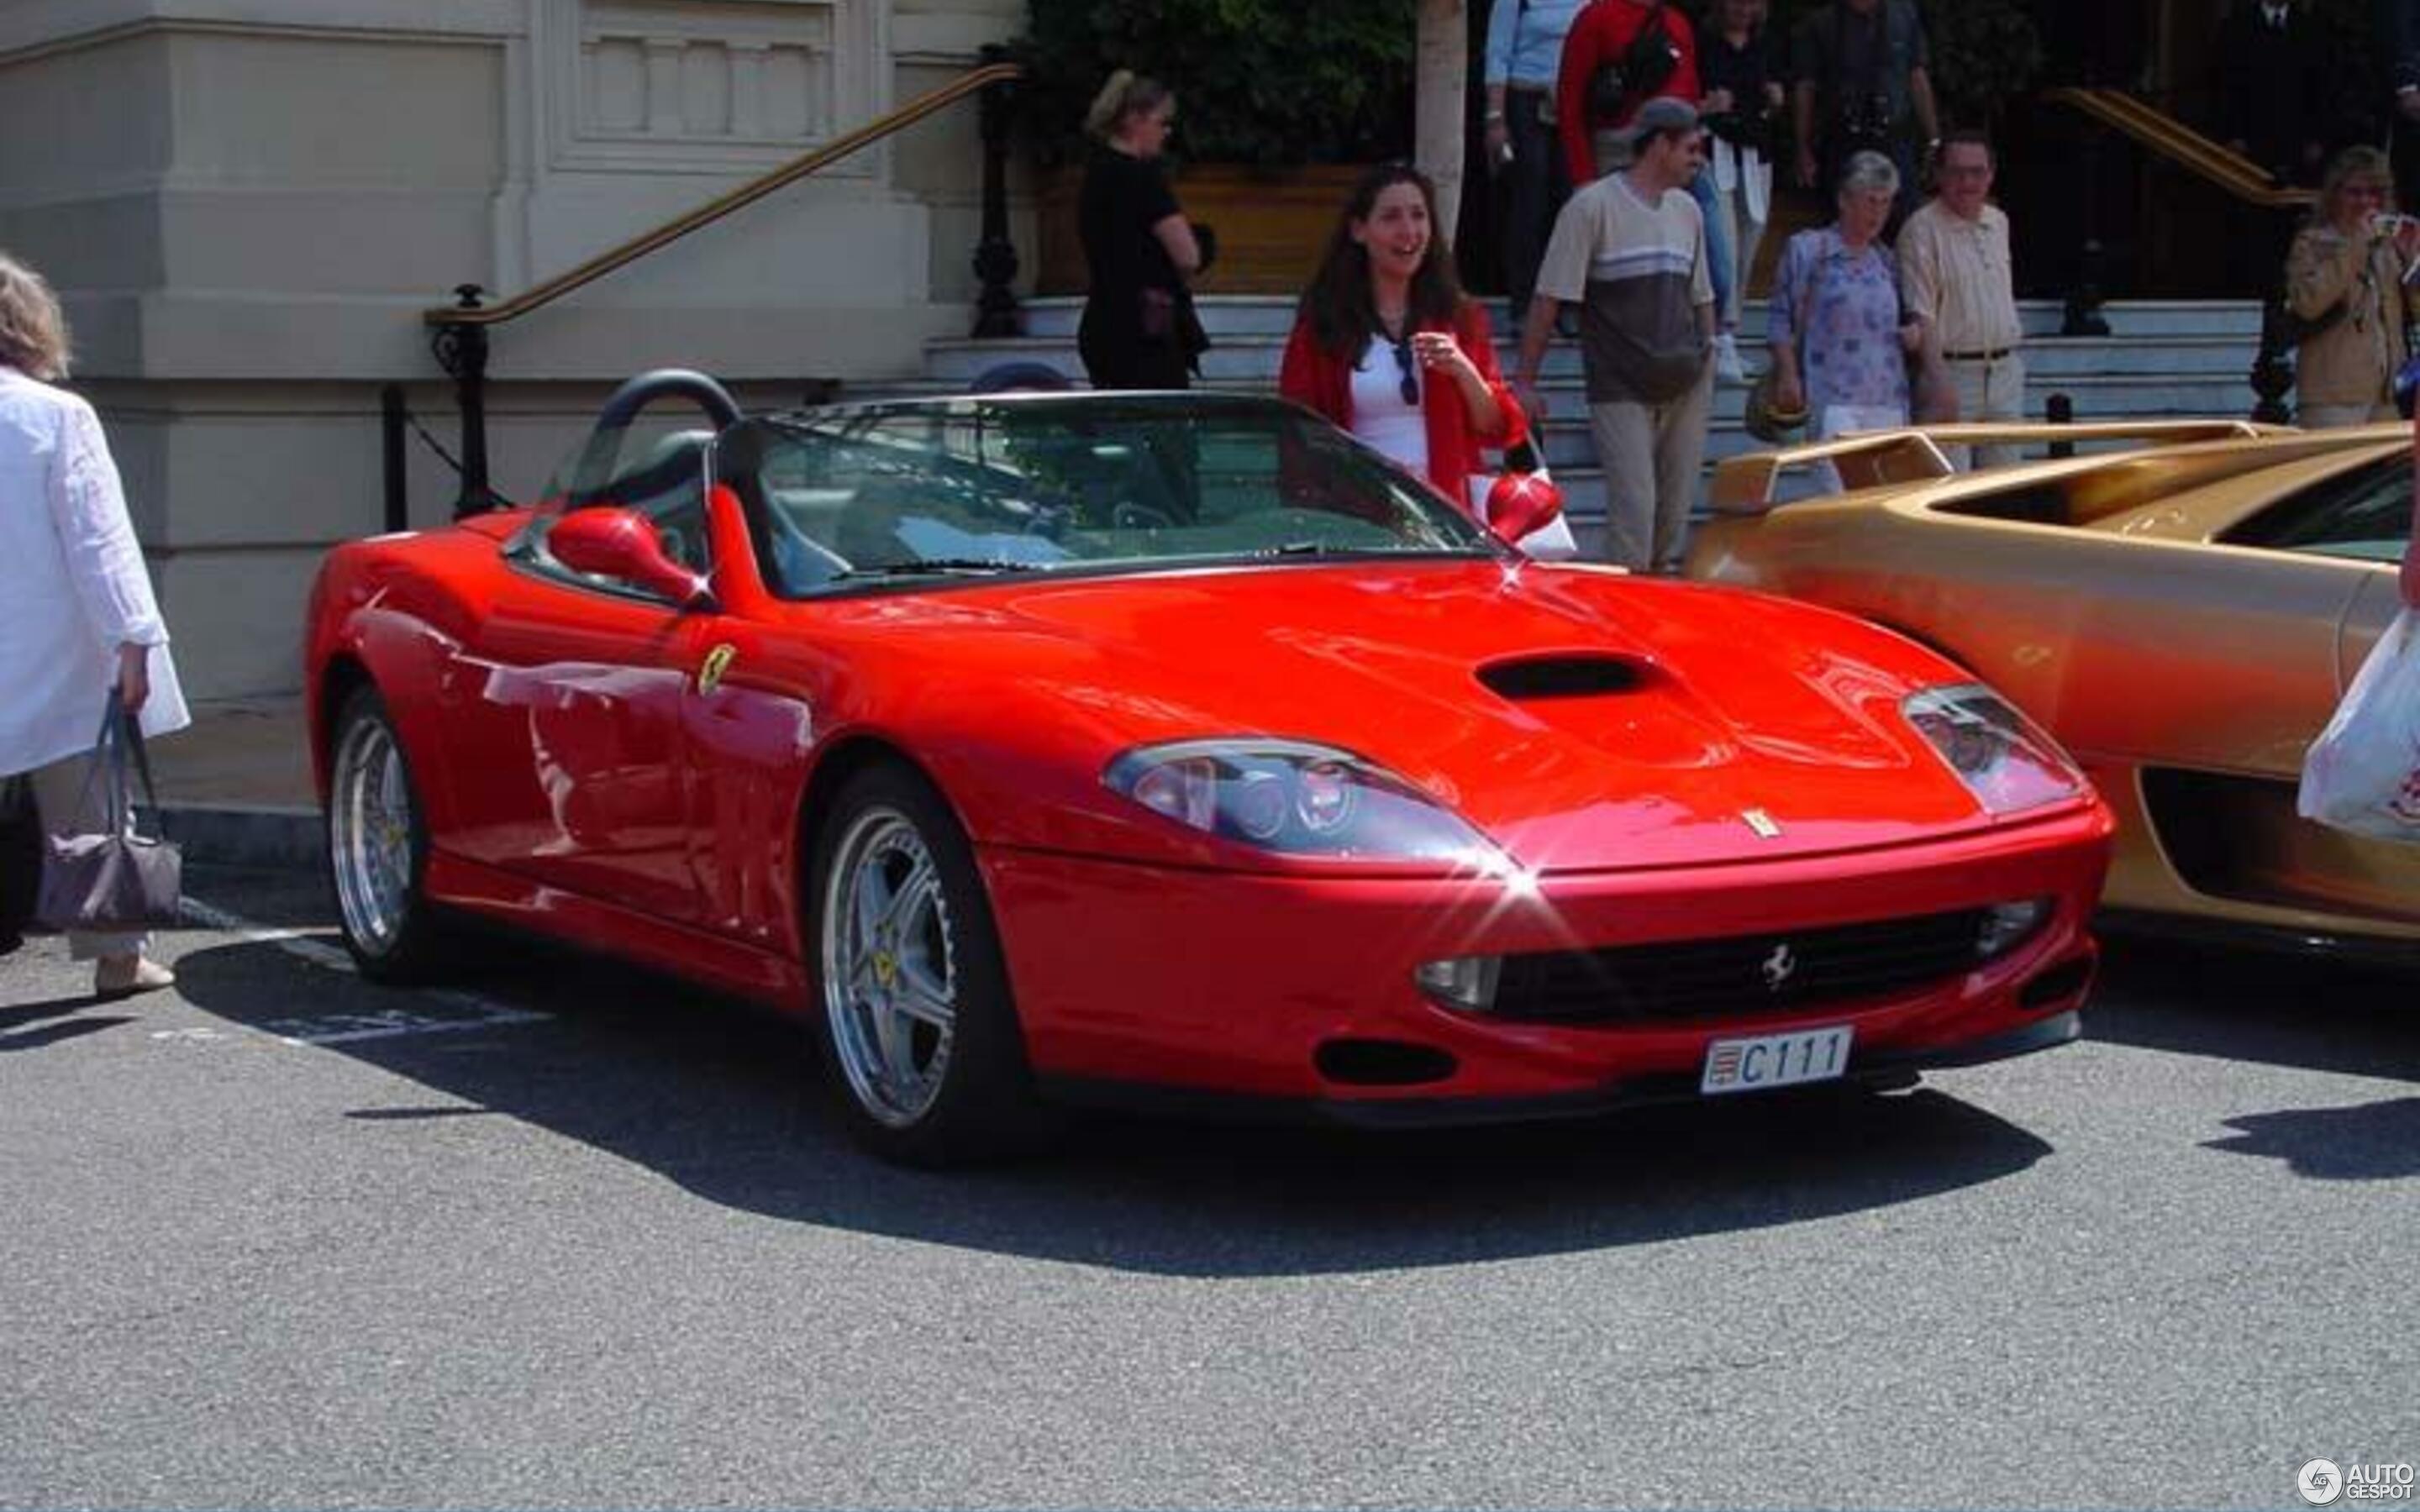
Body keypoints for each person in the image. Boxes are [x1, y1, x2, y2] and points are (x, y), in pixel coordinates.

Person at [0, 249, 188, 1000]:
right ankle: (117, 954)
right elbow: (98, 539)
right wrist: (133, 635)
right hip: (57, 645)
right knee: (90, 801)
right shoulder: (55, 417)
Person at [1515, 97, 1715, 572]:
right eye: (1690, 147)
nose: (1698, 159)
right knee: (1635, 512)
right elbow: (1549, 298)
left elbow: (1701, 295)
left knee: (1673, 515)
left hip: (1685, 381)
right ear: (1660, 145)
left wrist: (1710, 350)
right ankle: (1629, 612)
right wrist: (1525, 380)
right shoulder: (1592, 206)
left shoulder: (1688, 210)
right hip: (1619, 384)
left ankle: (1659, 608)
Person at [1279, 164, 1523, 511]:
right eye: (1391, 217)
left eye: (1419, 216)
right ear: (1359, 231)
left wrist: (1464, 371)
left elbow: (1497, 429)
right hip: (1360, 515)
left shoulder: (1460, 318)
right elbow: (1297, 432)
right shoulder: (1322, 325)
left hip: (1446, 516)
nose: (1409, 231)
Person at [1769, 151, 1922, 466]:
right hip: (1831, 398)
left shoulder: (1887, 260)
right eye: (1870, 201)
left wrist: (1914, 336)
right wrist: (1787, 373)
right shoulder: (1809, 250)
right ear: (1844, 200)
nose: (1878, 213)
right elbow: (1779, 318)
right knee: (1835, 493)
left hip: (1888, 398)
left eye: (1886, 202)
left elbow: (1906, 318)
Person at [1897, 130, 2025, 468]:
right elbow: (1920, 312)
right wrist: (1940, 384)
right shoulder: (1920, 229)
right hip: (1952, 374)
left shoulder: (1999, 222)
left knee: (2006, 491)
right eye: (1956, 172)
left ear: (1991, 175)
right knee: (1951, 490)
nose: (1967, 181)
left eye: (1977, 172)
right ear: (1939, 175)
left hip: (2004, 374)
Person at [1076, 71, 1205, 391]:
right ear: (1135, 119)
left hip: (1102, 321)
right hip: (1145, 329)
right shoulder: (1143, 179)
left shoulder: (1095, 175)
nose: (1166, 131)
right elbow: (1187, 255)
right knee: (1165, 430)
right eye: (1161, 122)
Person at [2284, 146, 2420, 428]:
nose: (2367, 202)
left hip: (2388, 396)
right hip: (2332, 395)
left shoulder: (2389, 247)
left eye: (2376, 193)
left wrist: (2413, 263)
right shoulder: (2313, 242)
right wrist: (2356, 246)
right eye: (2355, 192)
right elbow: (2308, 304)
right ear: (2335, 195)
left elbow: (2413, 314)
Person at [1484, 0, 1588, 330]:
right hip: (1526, 98)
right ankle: (1524, 303)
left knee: (1572, 199)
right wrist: (1495, 118)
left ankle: (1569, 301)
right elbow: (1498, 51)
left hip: (1575, 99)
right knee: (1531, 198)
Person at [1697, 0, 1784, 383]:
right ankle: (1718, 335)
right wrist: (1710, 105)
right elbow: (1695, 100)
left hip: (1756, 153)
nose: (1743, 9)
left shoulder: (1766, 45)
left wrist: (1772, 97)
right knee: (1724, 246)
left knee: (1749, 243)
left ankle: (1731, 333)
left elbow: (1773, 95)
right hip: (1717, 153)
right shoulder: (1704, 43)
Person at [1789, 0, 1938, 216]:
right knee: (1843, 225)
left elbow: (1917, 76)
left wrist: (1934, 139)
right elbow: (1806, 87)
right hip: (1843, 141)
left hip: (1895, 140)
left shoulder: (1905, 14)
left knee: (1904, 221)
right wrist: (1803, 148)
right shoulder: (1821, 23)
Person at [1556, 0, 1702, 185]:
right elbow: (1570, 103)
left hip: (1674, 159)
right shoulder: (1595, 18)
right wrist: (1583, 177)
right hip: (1617, 155)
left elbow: (1691, 96)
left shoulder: (1678, 24)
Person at [2213, 0, 2325, 187]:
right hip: (2249, 141)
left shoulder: (2309, 26)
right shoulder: (2237, 25)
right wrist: (2233, 135)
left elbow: (2320, 87)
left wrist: (2316, 138)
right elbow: (2225, 85)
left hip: (2296, 141)